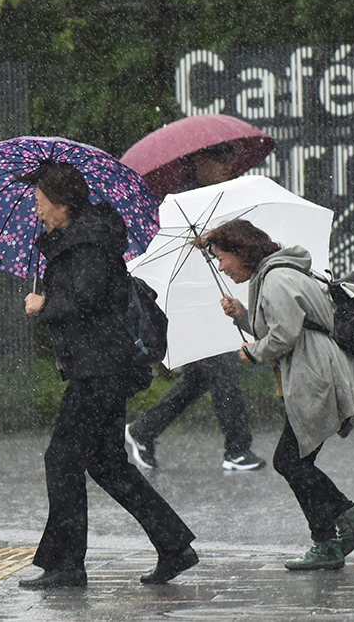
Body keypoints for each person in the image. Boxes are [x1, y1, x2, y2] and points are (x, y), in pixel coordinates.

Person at [17, 161, 198, 589]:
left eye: (42, 203)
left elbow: (88, 300)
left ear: (62, 204)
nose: (38, 211)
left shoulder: (89, 243)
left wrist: (45, 307)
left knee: (62, 458)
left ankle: (66, 565)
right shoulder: (77, 240)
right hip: (101, 367)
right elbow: (85, 298)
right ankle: (173, 545)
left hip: (102, 370)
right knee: (106, 463)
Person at [198, 218, 354, 571]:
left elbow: (282, 335)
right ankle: (334, 533)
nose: (221, 266)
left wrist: (253, 352)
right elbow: (278, 323)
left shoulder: (276, 279)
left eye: (222, 257)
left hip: (315, 375)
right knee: (297, 461)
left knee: (289, 461)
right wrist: (242, 315)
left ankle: (340, 528)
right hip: (316, 371)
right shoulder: (274, 275)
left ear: (240, 251)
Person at [125, 143, 267, 472]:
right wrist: (196, 246)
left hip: (211, 303)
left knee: (201, 378)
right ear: (200, 160)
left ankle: (142, 430)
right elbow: (162, 253)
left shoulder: (222, 198)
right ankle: (237, 449)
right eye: (221, 158)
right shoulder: (180, 203)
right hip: (188, 305)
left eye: (230, 157)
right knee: (223, 372)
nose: (228, 164)